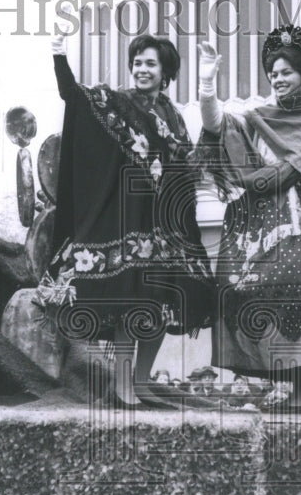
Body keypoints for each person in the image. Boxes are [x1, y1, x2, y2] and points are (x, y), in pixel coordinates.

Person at [194, 26, 301, 412]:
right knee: (266, 299)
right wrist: (207, 84)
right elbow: (219, 127)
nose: (278, 79)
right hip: (268, 234)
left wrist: (258, 182)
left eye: (286, 72)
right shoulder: (260, 120)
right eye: (273, 74)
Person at [46, 28, 215, 408]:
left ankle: (141, 383)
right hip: (128, 223)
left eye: (150, 64)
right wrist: (59, 56)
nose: (142, 69)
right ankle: (123, 387)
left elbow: (183, 166)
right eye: (137, 62)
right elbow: (73, 96)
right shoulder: (117, 103)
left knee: (158, 306)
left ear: (165, 72)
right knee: (132, 305)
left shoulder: (173, 116)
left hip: (165, 227)